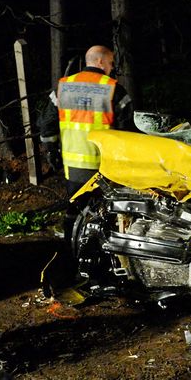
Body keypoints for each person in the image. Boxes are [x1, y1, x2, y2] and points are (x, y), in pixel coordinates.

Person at [37, 45, 134, 288]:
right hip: (106, 168)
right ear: (101, 62)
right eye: (111, 63)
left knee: (76, 216)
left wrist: (52, 153)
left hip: (75, 168)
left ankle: (74, 265)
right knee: (108, 218)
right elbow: (128, 132)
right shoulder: (113, 89)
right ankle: (105, 270)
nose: (112, 69)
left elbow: (46, 124)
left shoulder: (63, 87)